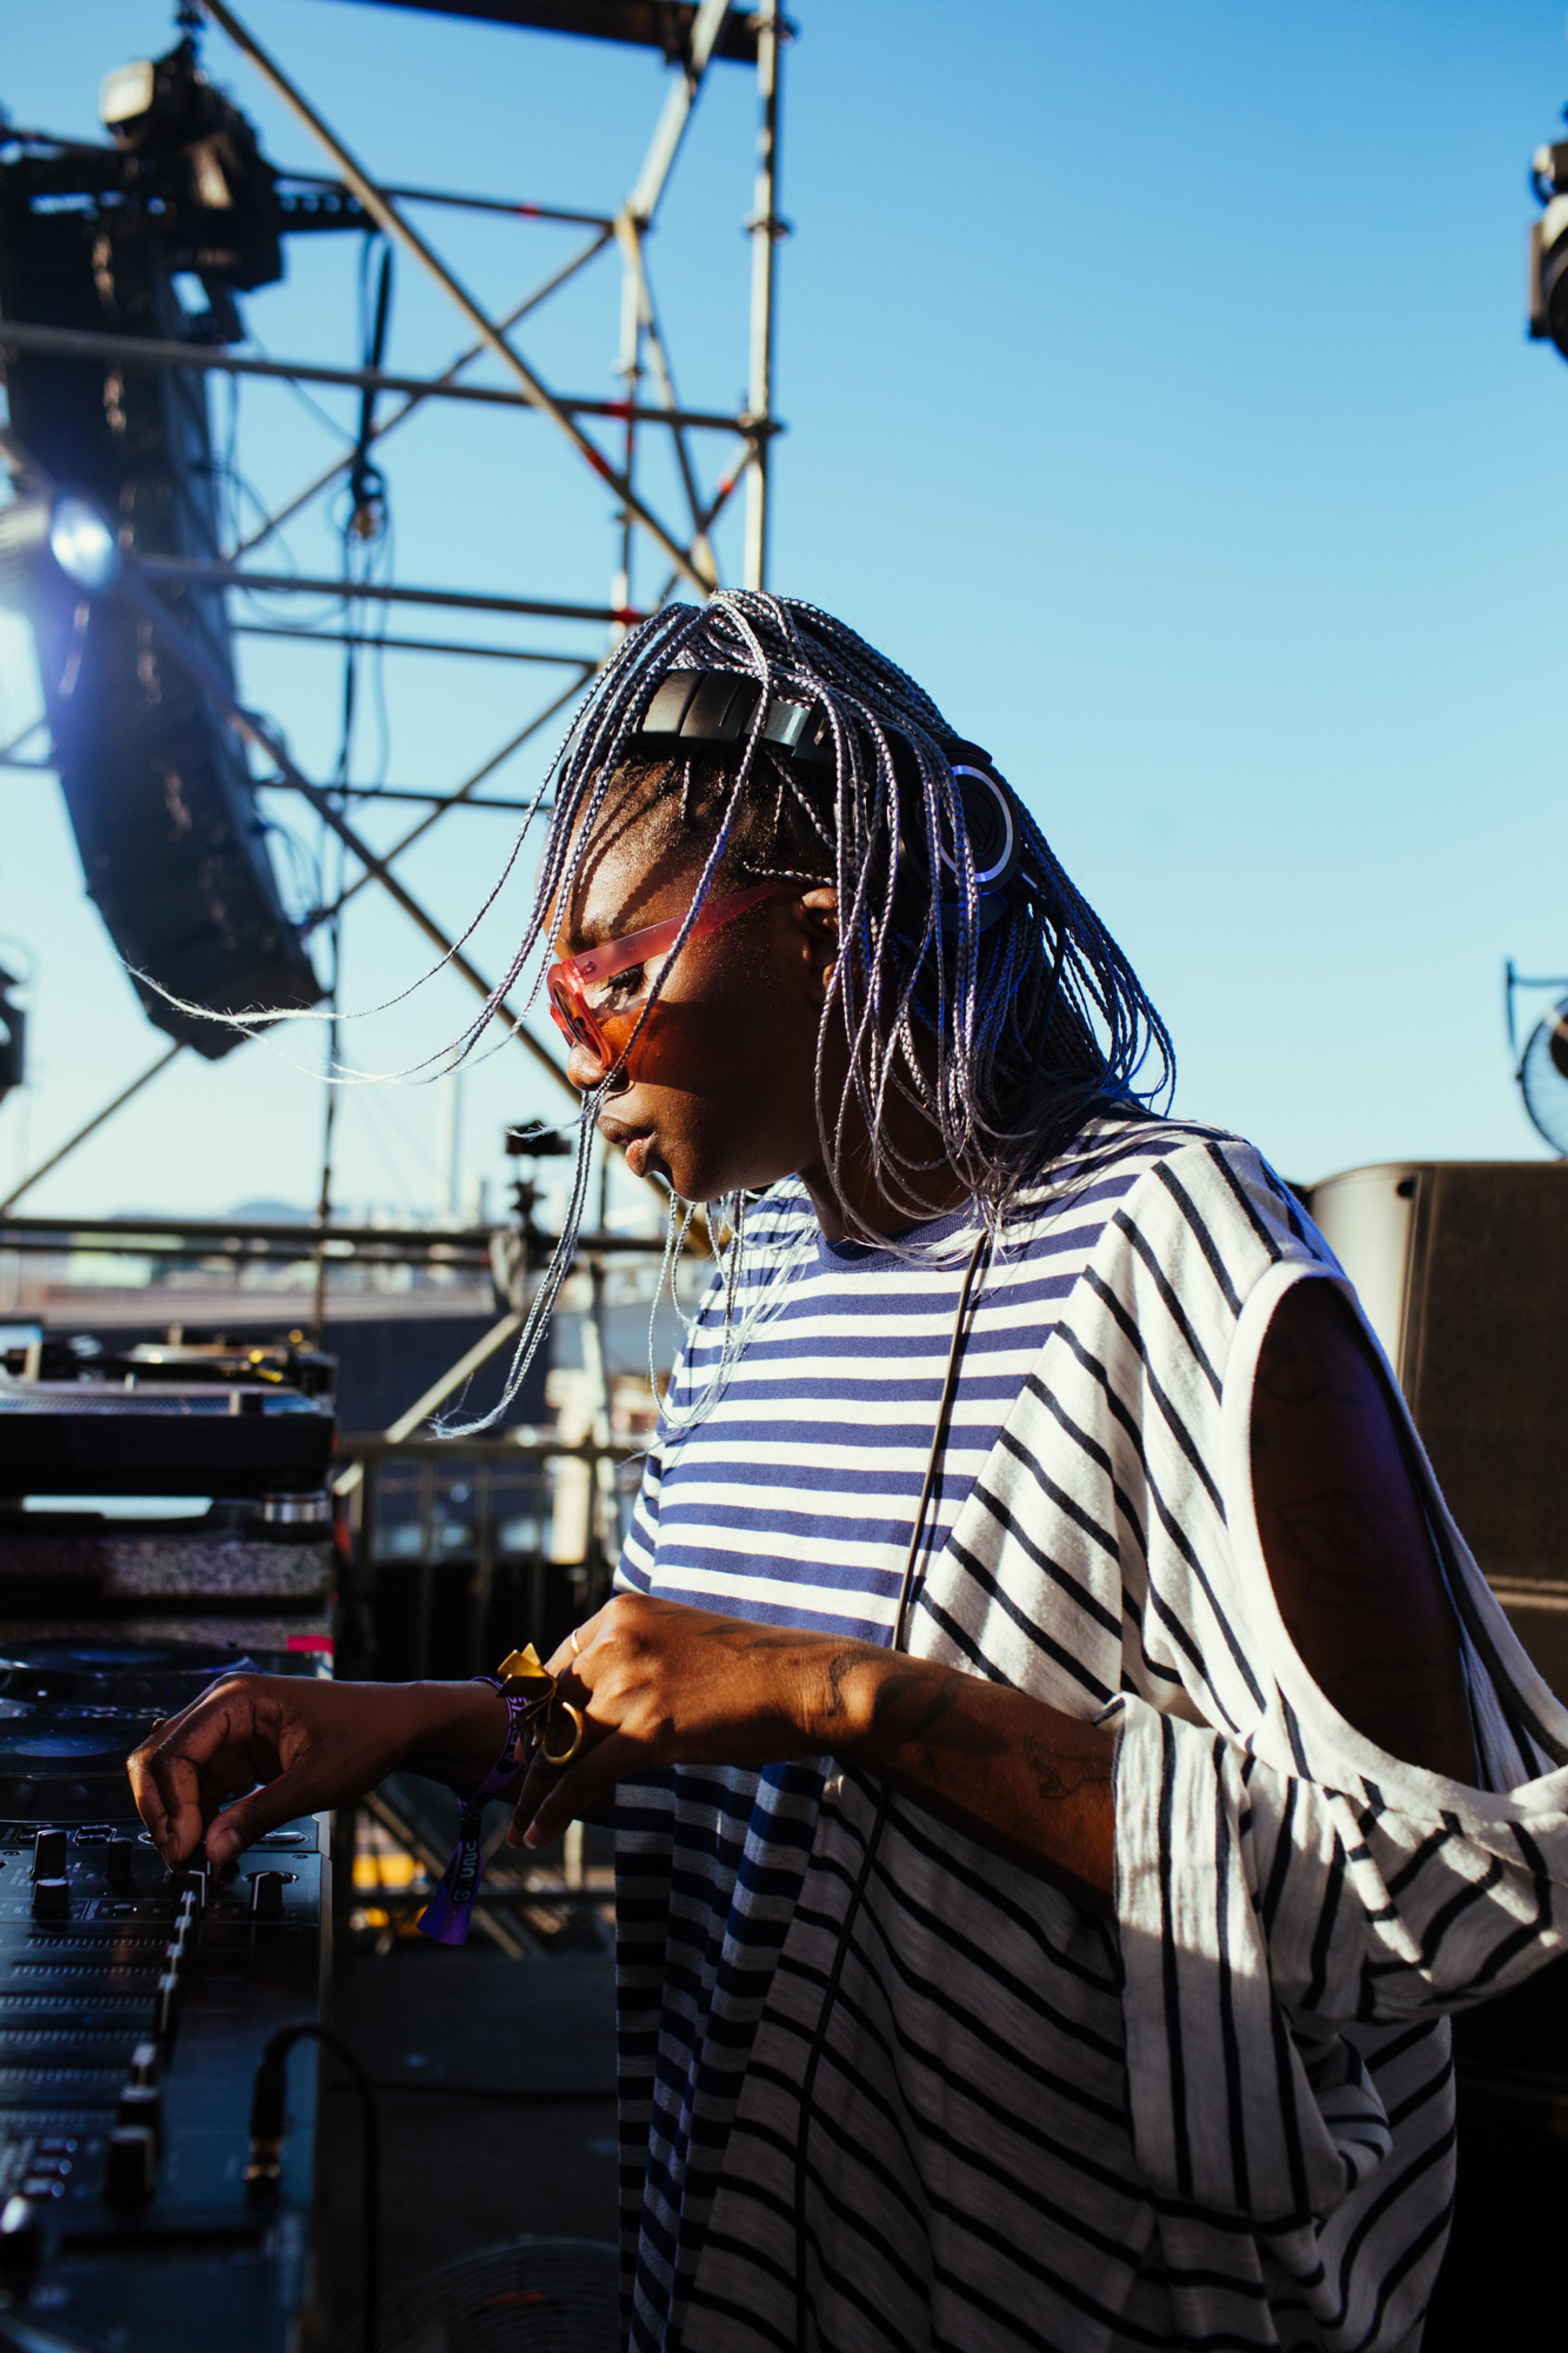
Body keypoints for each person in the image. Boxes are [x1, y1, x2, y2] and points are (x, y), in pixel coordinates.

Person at [131, 594, 1568, 2353]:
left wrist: (836, 1694)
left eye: (607, 967)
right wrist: (419, 1722)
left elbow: (1453, 1886)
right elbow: (701, 1719)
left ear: (828, 927)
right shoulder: (763, 1285)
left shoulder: (1168, 1242)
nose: (575, 1040)